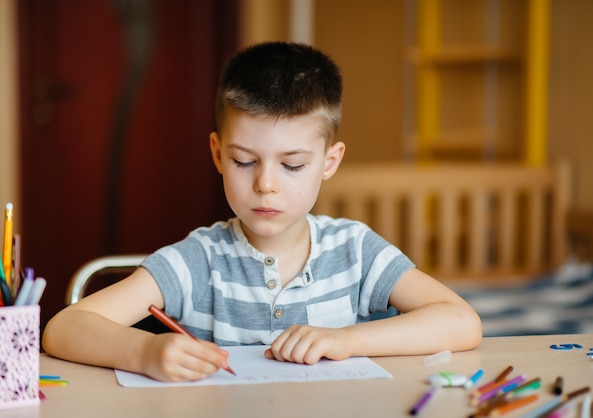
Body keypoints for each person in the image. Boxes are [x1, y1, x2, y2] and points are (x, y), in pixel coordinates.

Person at [42, 41, 482, 382]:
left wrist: (346, 340)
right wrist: (144, 352)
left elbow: (461, 322)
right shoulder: (199, 260)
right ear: (217, 153)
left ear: (329, 162)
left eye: (292, 165)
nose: (265, 183)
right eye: (244, 161)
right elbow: (64, 329)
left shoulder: (355, 250)